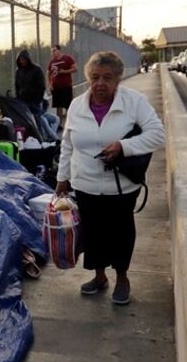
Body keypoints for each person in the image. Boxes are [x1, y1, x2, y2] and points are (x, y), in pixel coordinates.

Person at [55, 51, 165, 305]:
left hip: (122, 186)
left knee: (121, 231)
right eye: (95, 77)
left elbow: (157, 134)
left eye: (107, 77)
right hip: (85, 184)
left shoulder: (133, 102)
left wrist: (123, 146)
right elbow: (67, 144)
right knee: (93, 233)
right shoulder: (76, 105)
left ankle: (123, 277)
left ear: (118, 79)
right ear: (88, 79)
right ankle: (99, 275)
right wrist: (63, 178)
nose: (100, 83)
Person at [14, 49, 47, 125]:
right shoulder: (18, 71)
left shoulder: (37, 70)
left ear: (28, 59)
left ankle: (42, 137)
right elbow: (17, 86)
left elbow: (41, 86)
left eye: (24, 59)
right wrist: (18, 98)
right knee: (26, 124)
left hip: (34, 102)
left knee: (37, 123)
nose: (22, 61)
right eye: (20, 60)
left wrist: (38, 100)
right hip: (23, 102)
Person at [47, 44, 77, 120]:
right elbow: (48, 73)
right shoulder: (52, 62)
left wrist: (65, 71)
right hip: (56, 87)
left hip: (66, 86)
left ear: (59, 50)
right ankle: (59, 123)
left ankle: (69, 121)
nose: (53, 53)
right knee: (58, 106)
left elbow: (75, 69)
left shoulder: (67, 58)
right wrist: (50, 84)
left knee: (68, 105)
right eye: (51, 51)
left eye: (54, 50)